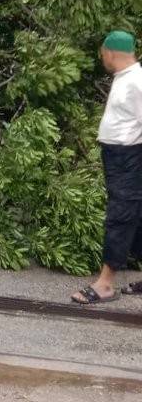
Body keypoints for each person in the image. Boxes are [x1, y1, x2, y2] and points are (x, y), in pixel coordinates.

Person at [72, 30, 142, 304]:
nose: (102, 58)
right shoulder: (126, 78)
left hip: (129, 159)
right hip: (120, 157)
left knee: (121, 215)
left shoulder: (136, 81)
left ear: (110, 52)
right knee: (137, 216)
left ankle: (105, 284)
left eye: (102, 53)